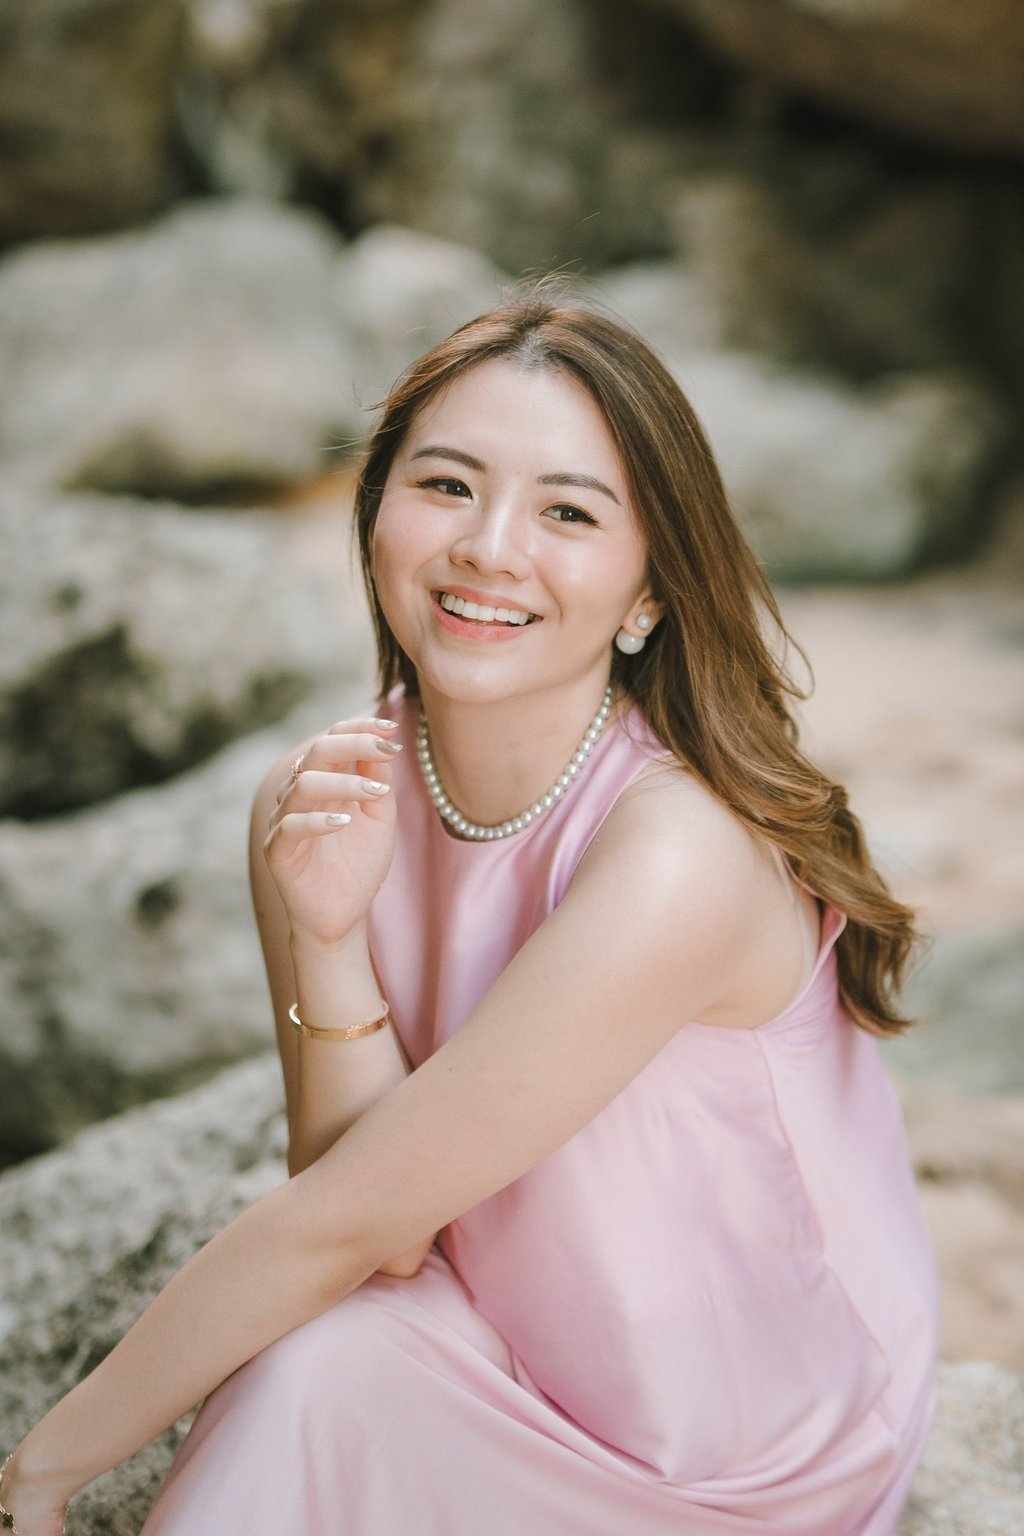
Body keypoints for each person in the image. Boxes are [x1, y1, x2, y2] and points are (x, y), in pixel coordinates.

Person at [0, 297, 938, 1536]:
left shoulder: (675, 855)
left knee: (310, 1352)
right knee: (310, 1371)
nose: (491, 549)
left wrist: (46, 1462)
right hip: (492, 1339)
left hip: (730, 1442)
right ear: (376, 510)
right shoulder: (321, 800)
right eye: (446, 485)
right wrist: (328, 938)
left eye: (566, 511)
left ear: (649, 589)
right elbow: (372, 1230)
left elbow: (344, 1225)